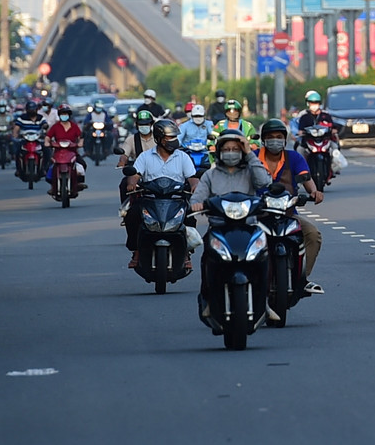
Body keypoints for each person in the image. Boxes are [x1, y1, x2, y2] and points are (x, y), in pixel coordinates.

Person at [189, 130, 274, 311]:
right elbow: (197, 198)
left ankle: (264, 302)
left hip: (249, 227)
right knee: (207, 259)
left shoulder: (250, 171)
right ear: (219, 151)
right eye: (226, 149)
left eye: (236, 149)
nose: (231, 152)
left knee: (264, 260)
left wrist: (250, 153)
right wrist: (196, 205)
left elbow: (264, 182)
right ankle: (208, 301)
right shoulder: (210, 175)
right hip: (219, 228)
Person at [257, 119, 326, 292]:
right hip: (256, 216)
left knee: (312, 234)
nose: (275, 140)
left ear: (285, 139)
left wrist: (314, 192)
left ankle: (301, 278)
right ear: (263, 139)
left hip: (287, 215)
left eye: (279, 137)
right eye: (271, 137)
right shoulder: (253, 158)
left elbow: (306, 179)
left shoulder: (294, 157)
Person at [125, 120, 198, 269]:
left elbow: (192, 177)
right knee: (132, 216)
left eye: (174, 137)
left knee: (190, 218)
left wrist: (195, 186)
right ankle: (137, 251)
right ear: (158, 139)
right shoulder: (145, 157)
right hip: (150, 200)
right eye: (169, 138)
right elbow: (135, 174)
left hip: (176, 200)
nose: (173, 141)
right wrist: (132, 183)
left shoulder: (183, 157)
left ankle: (186, 253)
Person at [45, 103, 87, 195]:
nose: (64, 115)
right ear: (59, 115)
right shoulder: (55, 127)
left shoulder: (74, 126)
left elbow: (80, 137)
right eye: (62, 113)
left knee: (83, 164)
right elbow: (48, 137)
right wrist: (47, 143)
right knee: (48, 167)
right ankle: (53, 186)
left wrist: (80, 143)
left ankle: (78, 183)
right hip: (58, 153)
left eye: (66, 113)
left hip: (72, 152)